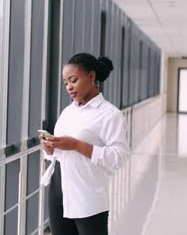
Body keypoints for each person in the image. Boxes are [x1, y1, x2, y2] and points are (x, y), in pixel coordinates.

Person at [40, 53, 129, 235]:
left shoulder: (109, 114)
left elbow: (119, 157)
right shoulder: (68, 112)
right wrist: (49, 148)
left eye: (73, 80)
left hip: (88, 193)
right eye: (66, 83)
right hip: (59, 188)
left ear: (91, 77)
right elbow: (59, 151)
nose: (69, 87)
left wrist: (77, 145)